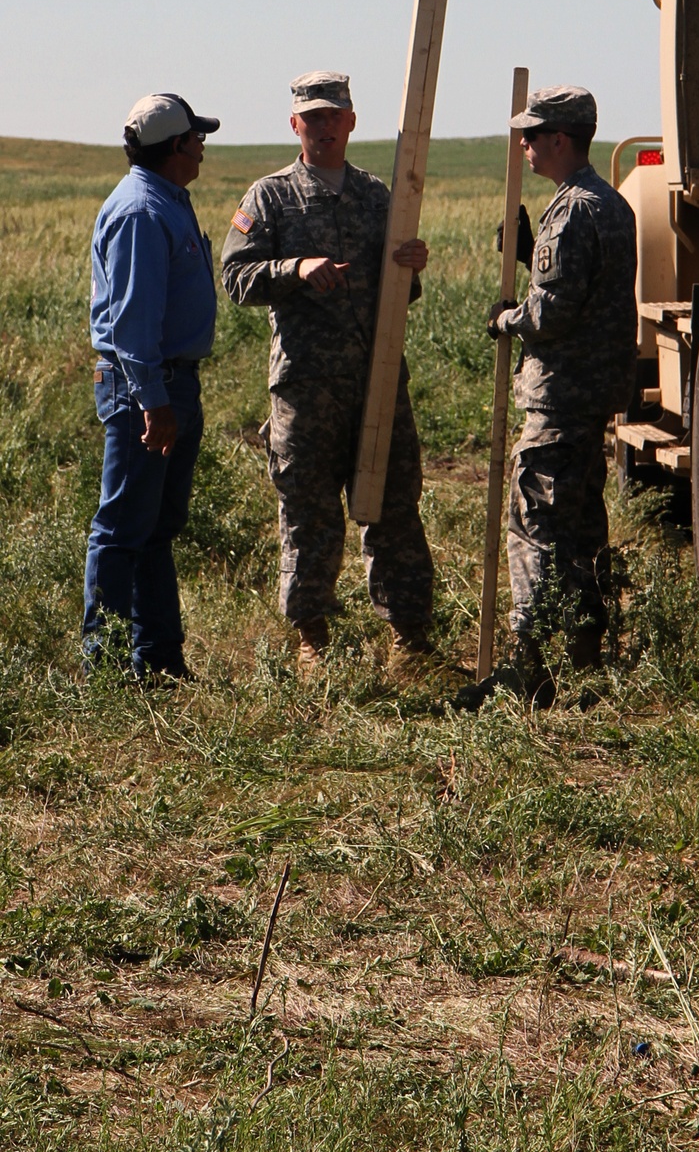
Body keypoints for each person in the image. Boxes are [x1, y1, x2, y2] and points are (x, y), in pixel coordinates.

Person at [220, 71, 435, 673]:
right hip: (306, 386)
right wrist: (293, 268)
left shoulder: (377, 196)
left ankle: (408, 637)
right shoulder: (270, 197)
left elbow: (401, 290)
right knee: (309, 510)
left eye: (332, 115)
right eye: (310, 116)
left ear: (351, 122)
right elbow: (236, 278)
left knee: (394, 504)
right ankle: (312, 634)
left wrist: (411, 265)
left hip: (378, 379)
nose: (322, 125)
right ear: (295, 125)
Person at [457, 86, 638, 710]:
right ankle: (586, 657)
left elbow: (554, 312)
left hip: (560, 397)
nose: (526, 146)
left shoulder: (573, 211)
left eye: (533, 136)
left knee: (534, 524)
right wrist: (533, 255)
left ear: (561, 140)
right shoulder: (610, 205)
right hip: (591, 398)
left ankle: (526, 664)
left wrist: (506, 319)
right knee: (583, 523)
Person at [83, 93, 220, 682]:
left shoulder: (165, 200)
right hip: (149, 388)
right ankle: (107, 667)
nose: (203, 145)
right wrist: (154, 402)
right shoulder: (142, 211)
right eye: (197, 137)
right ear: (177, 146)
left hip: (169, 385)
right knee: (122, 531)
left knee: (156, 528)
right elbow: (134, 322)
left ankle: (159, 661)